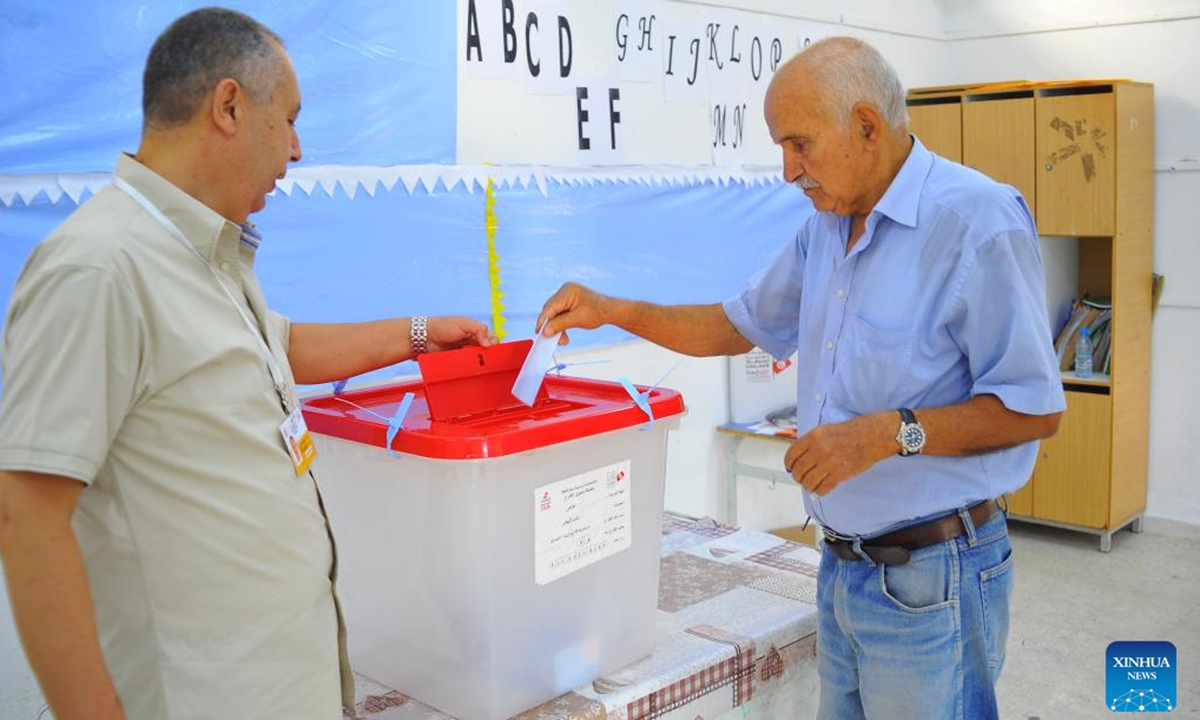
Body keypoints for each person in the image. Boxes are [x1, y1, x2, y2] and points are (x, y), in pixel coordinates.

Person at [536, 37, 1065, 720]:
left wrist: (888, 434)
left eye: (799, 144)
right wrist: (615, 311)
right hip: (843, 568)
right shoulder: (828, 226)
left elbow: (1034, 408)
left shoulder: (976, 223)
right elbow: (739, 323)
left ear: (867, 127)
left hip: (935, 578)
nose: (788, 170)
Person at [0, 8, 495, 720]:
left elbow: (276, 348)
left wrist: (420, 334)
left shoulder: (203, 252)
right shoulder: (100, 267)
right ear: (229, 106)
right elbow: (27, 519)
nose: (296, 150)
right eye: (289, 119)